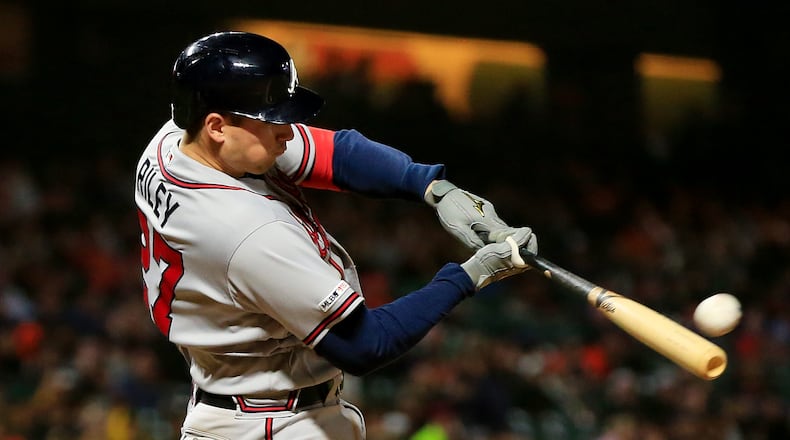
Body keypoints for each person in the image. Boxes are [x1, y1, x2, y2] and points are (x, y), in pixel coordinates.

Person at [134, 31, 538, 440]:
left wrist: (431, 188)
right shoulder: (247, 233)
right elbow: (363, 344)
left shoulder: (173, 141)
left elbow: (336, 153)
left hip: (232, 404)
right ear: (217, 127)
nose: (288, 133)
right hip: (271, 424)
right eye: (273, 120)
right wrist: (470, 276)